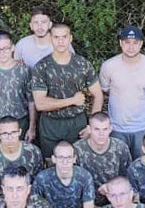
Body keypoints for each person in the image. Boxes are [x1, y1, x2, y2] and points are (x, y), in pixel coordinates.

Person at [32, 21, 103, 153]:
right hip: (51, 123)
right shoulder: (42, 67)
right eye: (56, 37)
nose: (60, 41)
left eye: (64, 37)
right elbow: (40, 104)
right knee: (51, 160)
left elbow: (98, 95)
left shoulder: (82, 64)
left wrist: (92, 126)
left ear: (70, 38)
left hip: (77, 122)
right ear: (50, 39)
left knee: (77, 159)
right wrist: (72, 100)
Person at [97, 25, 145, 157]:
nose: (131, 47)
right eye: (127, 42)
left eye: (135, 43)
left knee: (142, 164)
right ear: (120, 43)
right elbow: (104, 90)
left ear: (141, 44)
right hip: (117, 127)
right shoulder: (108, 66)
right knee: (118, 164)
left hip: (142, 127)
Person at [0, 31, 36, 141]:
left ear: (13, 48)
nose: (2, 53)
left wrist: (32, 127)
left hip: (20, 122)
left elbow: (31, 100)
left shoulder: (24, 71)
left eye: (6, 48)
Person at [0, 117, 43, 204]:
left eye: (14, 133)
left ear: (20, 132)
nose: (10, 137)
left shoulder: (33, 152)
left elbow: (40, 185)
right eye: (5, 134)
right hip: (0, 203)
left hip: (28, 201)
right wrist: (7, 206)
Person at [74, 111, 132, 203]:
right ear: (89, 129)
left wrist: (111, 187)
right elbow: (74, 184)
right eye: (96, 129)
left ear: (110, 129)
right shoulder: (77, 149)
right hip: (86, 202)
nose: (101, 134)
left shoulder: (120, 147)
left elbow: (127, 179)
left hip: (116, 199)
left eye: (105, 129)